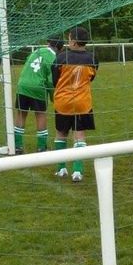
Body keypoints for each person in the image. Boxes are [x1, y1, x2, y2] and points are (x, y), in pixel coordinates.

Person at [52, 26, 99, 183]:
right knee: (79, 135)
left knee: (61, 134)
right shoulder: (93, 59)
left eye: (69, 38)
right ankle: (77, 171)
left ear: (73, 41)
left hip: (63, 102)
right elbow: (91, 78)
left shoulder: (61, 57)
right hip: (82, 103)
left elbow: (54, 79)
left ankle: (61, 168)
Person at [13, 36, 63, 154]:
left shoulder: (36, 51)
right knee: (40, 115)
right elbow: (51, 81)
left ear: (49, 43)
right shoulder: (53, 58)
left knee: (21, 114)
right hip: (37, 87)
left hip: (23, 85)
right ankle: (42, 147)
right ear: (59, 48)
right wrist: (53, 97)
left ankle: (17, 146)